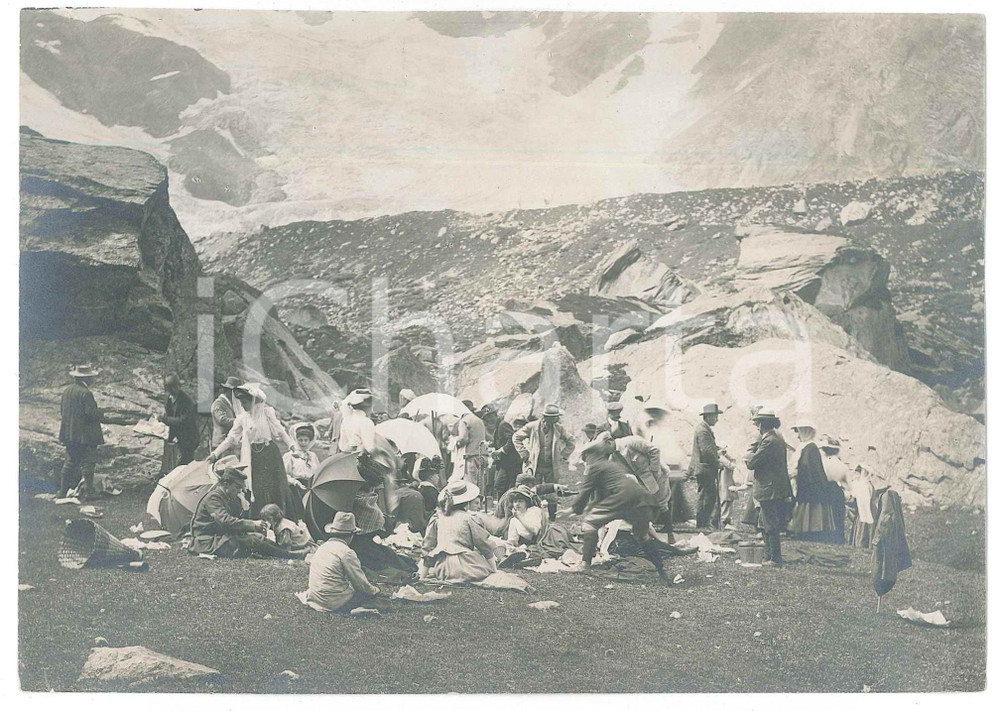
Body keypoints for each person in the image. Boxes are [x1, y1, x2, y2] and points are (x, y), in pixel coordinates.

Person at [572, 433, 667, 578]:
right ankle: (661, 570)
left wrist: (574, 510)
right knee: (642, 535)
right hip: (640, 497)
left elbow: (586, 496)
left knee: (590, 524)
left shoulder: (625, 446)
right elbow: (598, 498)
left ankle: (585, 565)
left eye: (586, 458)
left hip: (640, 488)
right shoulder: (611, 461)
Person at [208, 383, 301, 517]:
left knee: (276, 486)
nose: (243, 406)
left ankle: (281, 517)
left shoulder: (267, 413)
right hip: (254, 457)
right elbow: (231, 439)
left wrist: (293, 448)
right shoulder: (242, 418)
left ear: (252, 401)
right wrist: (215, 454)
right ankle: (261, 518)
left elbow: (281, 432)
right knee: (258, 488)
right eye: (241, 403)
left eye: (245, 402)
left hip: (270, 454)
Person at [189, 463, 303, 559]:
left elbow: (235, 520)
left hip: (220, 537)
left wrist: (251, 522)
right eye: (237, 487)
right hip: (207, 542)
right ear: (225, 484)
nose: (239, 490)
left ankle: (288, 551)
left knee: (259, 538)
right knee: (253, 541)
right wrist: (252, 524)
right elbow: (225, 521)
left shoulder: (228, 497)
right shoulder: (213, 498)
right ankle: (290, 555)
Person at [419, 480, 500, 583]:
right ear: (467, 501)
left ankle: (433, 571)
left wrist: (422, 576)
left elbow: (428, 548)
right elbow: (484, 546)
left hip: (443, 569)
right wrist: (494, 570)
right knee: (482, 567)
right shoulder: (469, 518)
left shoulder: (438, 518)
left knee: (436, 566)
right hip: (467, 566)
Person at [745, 409, 793, 567]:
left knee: (770, 523)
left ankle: (774, 558)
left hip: (768, 488)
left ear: (761, 425)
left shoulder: (768, 441)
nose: (757, 427)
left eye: (757, 423)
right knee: (767, 522)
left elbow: (752, 463)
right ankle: (769, 556)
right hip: (775, 487)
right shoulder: (777, 439)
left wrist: (749, 453)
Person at [304, 512, 381, 612]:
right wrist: (375, 591)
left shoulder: (323, 547)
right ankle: (358, 609)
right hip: (335, 602)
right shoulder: (346, 552)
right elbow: (360, 585)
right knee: (378, 600)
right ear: (351, 535)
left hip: (315, 599)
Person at [512, 404, 575, 521]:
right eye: (554, 417)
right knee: (533, 491)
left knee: (552, 491)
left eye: (557, 417)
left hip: (551, 467)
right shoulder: (532, 427)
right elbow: (516, 437)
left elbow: (571, 440)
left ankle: (552, 518)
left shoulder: (558, 428)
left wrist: (563, 455)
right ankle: (533, 517)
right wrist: (524, 453)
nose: (557, 419)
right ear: (546, 417)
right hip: (534, 466)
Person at [57, 363, 105, 499]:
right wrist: (100, 413)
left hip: (69, 434)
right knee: (88, 462)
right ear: (88, 378)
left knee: (70, 462)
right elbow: (90, 415)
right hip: (85, 435)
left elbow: (63, 411)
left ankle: (62, 492)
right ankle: (89, 492)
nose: (92, 380)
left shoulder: (66, 391)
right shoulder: (86, 393)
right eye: (91, 377)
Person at [789, 422, 839, 543]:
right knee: (805, 506)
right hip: (807, 482)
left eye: (799, 433)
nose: (798, 436)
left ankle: (810, 531)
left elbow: (808, 466)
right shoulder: (806, 446)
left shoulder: (810, 447)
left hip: (810, 483)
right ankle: (807, 531)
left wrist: (798, 473)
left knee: (810, 507)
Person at [689, 402, 734, 530]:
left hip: (704, 468)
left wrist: (717, 449)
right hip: (705, 468)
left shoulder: (703, 429)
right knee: (707, 497)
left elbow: (709, 448)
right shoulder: (703, 430)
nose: (717, 419)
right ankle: (703, 524)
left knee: (706, 496)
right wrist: (718, 463)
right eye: (715, 417)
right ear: (708, 417)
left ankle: (703, 523)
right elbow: (707, 452)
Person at [282, 422, 319, 521]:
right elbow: (283, 474)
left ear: (310, 441)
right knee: (300, 514)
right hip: (296, 489)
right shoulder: (289, 456)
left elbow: (318, 472)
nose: (303, 443)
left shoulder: (312, 456)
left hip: (311, 487)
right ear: (295, 440)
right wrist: (295, 482)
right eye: (300, 440)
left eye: (306, 440)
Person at [161, 372, 199, 467]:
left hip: (188, 439)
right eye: (169, 389)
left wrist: (165, 419)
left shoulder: (186, 401)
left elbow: (183, 421)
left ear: (177, 386)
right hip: (177, 437)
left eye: (173, 388)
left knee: (185, 465)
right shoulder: (169, 399)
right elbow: (169, 414)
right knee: (174, 463)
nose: (171, 391)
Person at [452, 402, 488, 491]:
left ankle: (472, 504)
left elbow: (464, 439)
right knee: (480, 485)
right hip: (482, 455)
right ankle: (480, 503)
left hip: (471, 456)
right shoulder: (479, 420)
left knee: (470, 485)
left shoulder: (464, 421)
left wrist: (455, 442)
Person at [490, 415, 523, 499]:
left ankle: (507, 507)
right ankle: (504, 507)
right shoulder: (498, 427)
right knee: (502, 486)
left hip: (512, 463)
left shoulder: (503, 425)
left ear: (495, 416)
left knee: (506, 486)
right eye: (487, 419)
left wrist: (502, 450)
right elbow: (501, 441)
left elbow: (511, 440)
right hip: (506, 463)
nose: (489, 421)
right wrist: (491, 445)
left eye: (490, 417)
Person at [211, 376, 241, 449]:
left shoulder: (231, 404)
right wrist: (239, 421)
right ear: (228, 391)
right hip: (220, 443)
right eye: (235, 392)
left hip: (229, 442)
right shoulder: (218, 403)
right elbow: (222, 420)